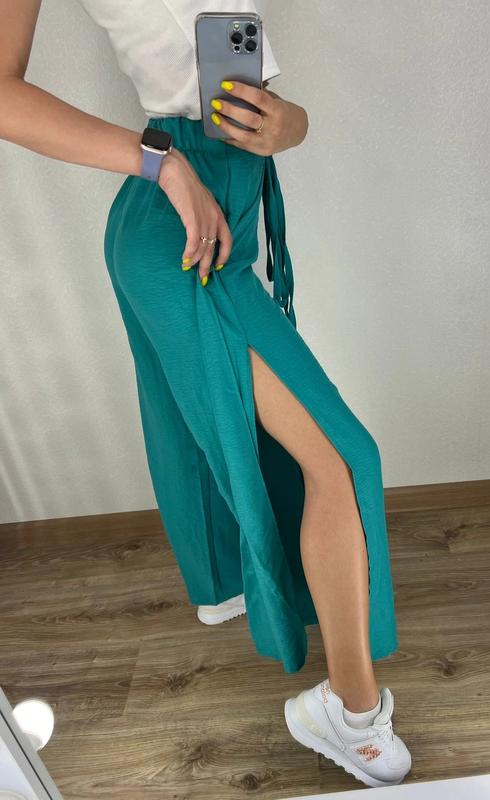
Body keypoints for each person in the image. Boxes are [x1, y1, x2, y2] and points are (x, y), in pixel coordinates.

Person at [1, 0, 411, 787]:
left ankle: (249, 595)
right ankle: (352, 717)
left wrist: (288, 123)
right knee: (342, 457)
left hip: (232, 197)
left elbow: (259, 94)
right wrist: (162, 162)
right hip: (179, 228)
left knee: (240, 432)